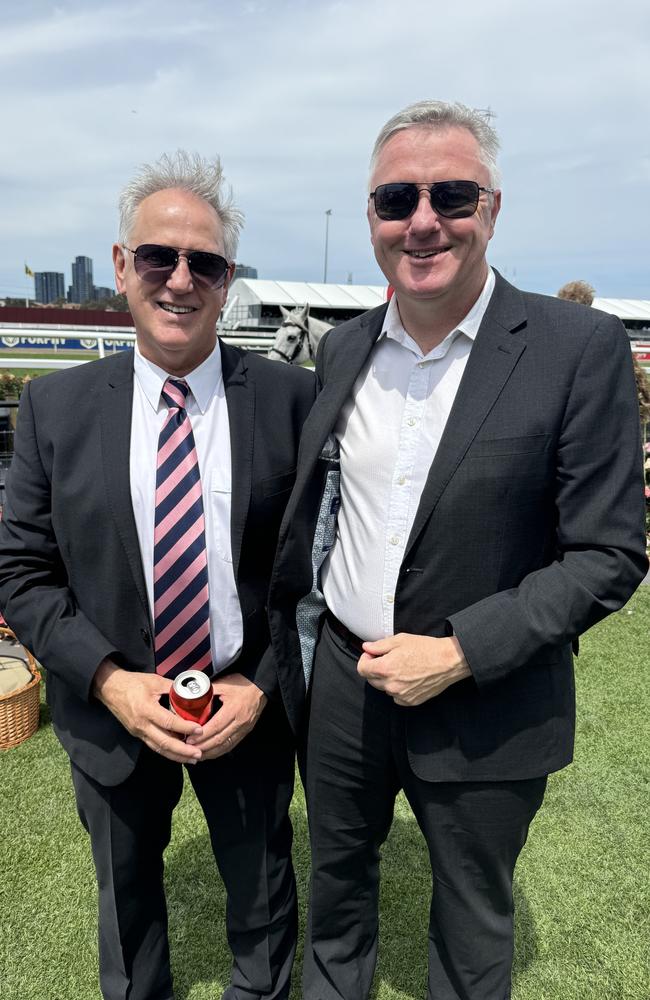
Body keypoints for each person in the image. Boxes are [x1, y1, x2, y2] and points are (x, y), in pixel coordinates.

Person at [268, 101, 649, 1000]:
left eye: (452, 195)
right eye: (398, 198)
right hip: (343, 691)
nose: (424, 220)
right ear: (372, 217)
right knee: (337, 899)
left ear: (493, 208)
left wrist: (460, 653)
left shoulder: (578, 349)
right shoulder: (347, 346)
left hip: (486, 700)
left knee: (473, 929)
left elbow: (609, 554)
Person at [0, 151, 315, 1000]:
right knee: (128, 907)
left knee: (262, 899)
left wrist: (262, 686)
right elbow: (22, 571)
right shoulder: (54, 408)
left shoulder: (292, 399)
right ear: (120, 267)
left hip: (243, 704)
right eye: (158, 258)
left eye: (205, 264)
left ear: (226, 280)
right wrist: (108, 681)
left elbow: (313, 572)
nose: (181, 280)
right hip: (111, 716)